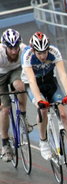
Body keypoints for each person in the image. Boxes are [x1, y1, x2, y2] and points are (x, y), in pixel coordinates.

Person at [21, 31, 67, 165]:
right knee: (42, 110)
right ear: (34, 50)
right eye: (39, 53)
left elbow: (63, 75)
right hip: (33, 84)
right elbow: (31, 80)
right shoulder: (27, 55)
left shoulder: (54, 52)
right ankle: (43, 141)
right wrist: (40, 101)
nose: (42, 56)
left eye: (44, 52)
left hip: (49, 81)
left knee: (64, 115)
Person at [0, 28, 29, 162]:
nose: (13, 51)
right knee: (5, 110)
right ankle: (5, 144)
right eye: (10, 48)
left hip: (15, 71)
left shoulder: (24, 49)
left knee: (20, 86)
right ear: (4, 47)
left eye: (16, 47)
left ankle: (23, 117)